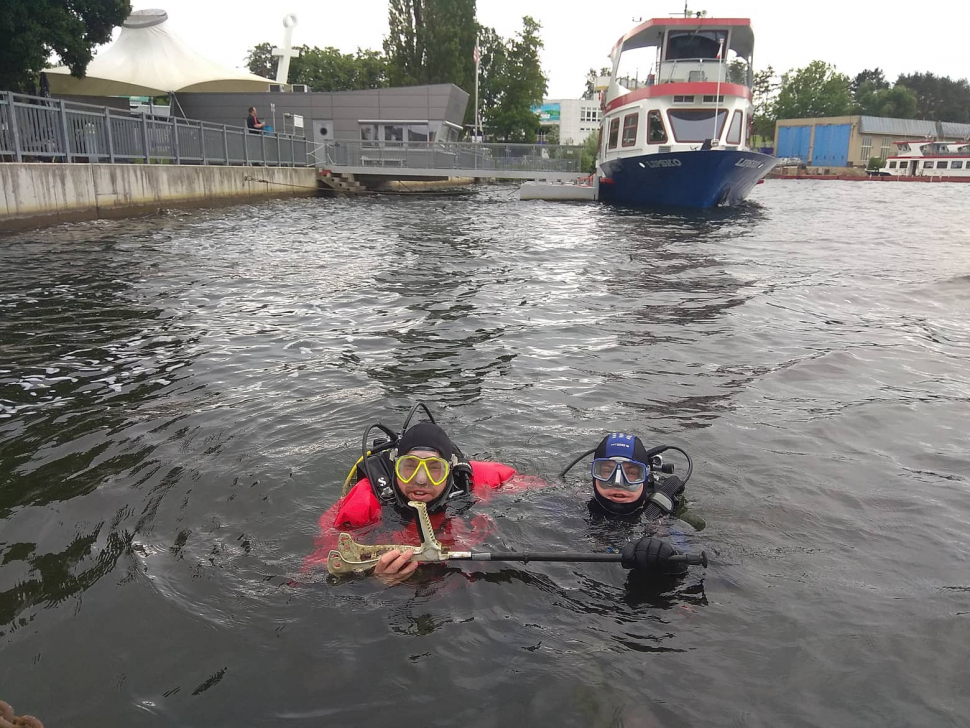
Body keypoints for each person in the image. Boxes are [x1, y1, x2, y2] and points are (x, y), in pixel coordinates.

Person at [304, 415, 519, 584]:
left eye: (435, 468)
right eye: (410, 466)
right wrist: (370, 578)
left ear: (450, 470)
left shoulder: (475, 479)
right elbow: (317, 569)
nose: (421, 480)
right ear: (396, 467)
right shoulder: (364, 502)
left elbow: (542, 491)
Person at [561, 432, 705, 575]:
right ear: (594, 474)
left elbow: (695, 551)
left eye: (631, 473)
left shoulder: (661, 511)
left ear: (645, 476)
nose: (618, 483)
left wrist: (673, 562)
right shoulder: (579, 499)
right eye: (607, 471)